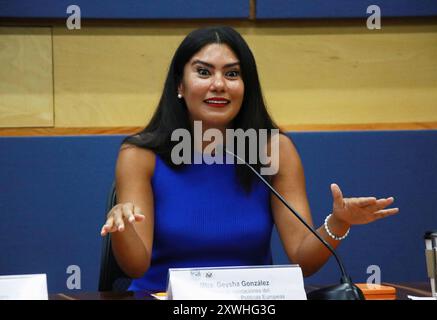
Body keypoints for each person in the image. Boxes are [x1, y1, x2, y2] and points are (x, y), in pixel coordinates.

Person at [100, 26, 399, 292]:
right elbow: (136, 267)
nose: (219, 84)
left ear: (246, 86)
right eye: (204, 72)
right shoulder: (141, 155)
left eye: (232, 73)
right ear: (180, 85)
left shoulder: (273, 151)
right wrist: (121, 229)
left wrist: (339, 222)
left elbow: (303, 259)